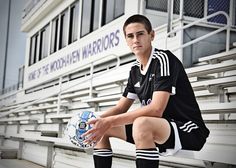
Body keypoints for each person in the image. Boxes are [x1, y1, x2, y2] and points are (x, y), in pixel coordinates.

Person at [83, 14, 210, 168]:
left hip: (187, 129)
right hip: (158, 127)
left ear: (152, 35)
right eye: (130, 36)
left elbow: (156, 109)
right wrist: (96, 121)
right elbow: (120, 108)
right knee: (100, 130)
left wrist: (108, 121)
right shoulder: (135, 70)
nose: (135, 40)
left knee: (141, 123)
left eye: (140, 34)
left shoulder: (164, 60)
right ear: (126, 41)